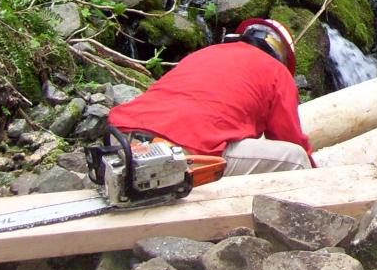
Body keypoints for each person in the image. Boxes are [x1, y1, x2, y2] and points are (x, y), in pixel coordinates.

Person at [108, 18, 315, 175]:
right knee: (296, 159)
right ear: (281, 56)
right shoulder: (277, 72)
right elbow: (289, 137)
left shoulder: (206, 52)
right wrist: (316, 171)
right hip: (184, 150)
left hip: (121, 136)